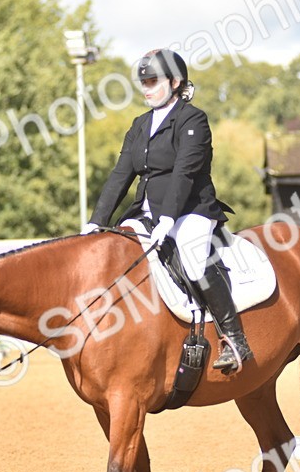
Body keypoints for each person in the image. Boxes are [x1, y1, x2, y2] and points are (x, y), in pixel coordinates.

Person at [82, 48, 252, 374]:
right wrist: (96, 222)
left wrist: (169, 218)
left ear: (175, 82)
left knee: (192, 259)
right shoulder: (139, 124)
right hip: (145, 215)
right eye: (142, 82)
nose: (146, 88)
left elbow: (185, 173)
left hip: (191, 210)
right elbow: (121, 175)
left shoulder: (192, 119)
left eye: (153, 81)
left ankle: (234, 338)